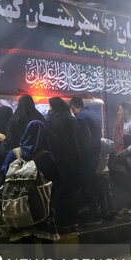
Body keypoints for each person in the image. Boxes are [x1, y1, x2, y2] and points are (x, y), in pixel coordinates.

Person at [0, 120, 60, 260]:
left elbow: (2, 176)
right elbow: (58, 180)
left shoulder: (13, 154)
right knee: (47, 246)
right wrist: (52, 203)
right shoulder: (46, 155)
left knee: (28, 247)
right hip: (43, 208)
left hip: (20, 209)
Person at [46, 97, 83, 228]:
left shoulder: (52, 120)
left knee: (59, 192)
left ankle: (60, 221)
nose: (49, 109)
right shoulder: (71, 119)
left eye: (50, 106)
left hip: (58, 161)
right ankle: (72, 220)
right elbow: (76, 140)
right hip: (72, 160)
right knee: (71, 191)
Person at [70, 97, 102, 221]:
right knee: (93, 184)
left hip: (86, 158)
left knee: (87, 186)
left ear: (73, 107)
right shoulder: (95, 115)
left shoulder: (80, 118)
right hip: (96, 155)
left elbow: (82, 141)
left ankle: (94, 215)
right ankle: (98, 211)